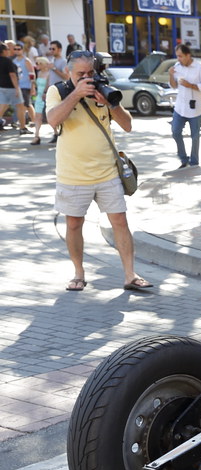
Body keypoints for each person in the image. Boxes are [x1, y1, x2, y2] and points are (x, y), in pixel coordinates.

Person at [45, 50, 152, 292]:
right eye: (80, 74)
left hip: (107, 172)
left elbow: (127, 125)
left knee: (120, 221)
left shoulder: (104, 88)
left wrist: (111, 105)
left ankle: (130, 275)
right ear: (70, 72)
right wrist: (76, 94)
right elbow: (52, 120)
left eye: (90, 72)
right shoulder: (58, 91)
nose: (87, 78)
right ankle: (79, 274)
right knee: (73, 224)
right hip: (73, 174)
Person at [168, 43, 201, 168]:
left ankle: (194, 161)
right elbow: (174, 85)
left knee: (195, 136)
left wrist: (190, 85)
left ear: (188, 55)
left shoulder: (200, 68)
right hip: (180, 106)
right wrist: (170, 75)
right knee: (175, 132)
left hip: (195, 108)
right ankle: (183, 158)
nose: (178, 59)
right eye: (177, 56)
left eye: (180, 56)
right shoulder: (177, 67)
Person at [45, 40, 69, 143]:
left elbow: (66, 76)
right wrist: (46, 89)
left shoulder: (63, 61)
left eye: (53, 48)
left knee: (60, 112)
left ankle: (62, 133)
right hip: (52, 90)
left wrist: (54, 68)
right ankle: (55, 133)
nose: (51, 50)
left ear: (59, 49)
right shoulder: (52, 60)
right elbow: (49, 76)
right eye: (50, 48)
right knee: (50, 112)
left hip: (60, 90)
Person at [12, 42, 34, 134]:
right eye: (15, 49)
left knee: (27, 105)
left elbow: (32, 74)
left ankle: (34, 121)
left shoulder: (26, 60)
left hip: (26, 85)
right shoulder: (14, 61)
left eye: (19, 49)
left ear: (22, 49)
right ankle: (24, 124)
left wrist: (33, 87)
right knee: (22, 106)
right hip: (18, 86)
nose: (17, 51)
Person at [29, 56, 50, 144]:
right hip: (39, 96)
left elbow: (49, 85)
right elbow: (38, 85)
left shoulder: (49, 73)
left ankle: (56, 133)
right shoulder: (39, 73)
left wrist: (46, 93)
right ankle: (36, 136)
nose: (36, 65)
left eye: (38, 63)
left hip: (47, 96)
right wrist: (33, 83)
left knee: (50, 117)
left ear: (43, 64)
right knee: (38, 117)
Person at [0, 43, 20, 132]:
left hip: (2, 86)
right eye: (7, 49)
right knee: (20, 106)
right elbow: (12, 75)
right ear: (3, 51)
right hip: (9, 87)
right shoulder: (7, 61)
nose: (9, 51)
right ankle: (22, 127)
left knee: (4, 106)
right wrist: (17, 88)